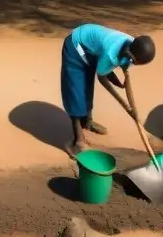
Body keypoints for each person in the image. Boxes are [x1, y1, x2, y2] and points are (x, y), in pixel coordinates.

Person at [61, 23, 156, 154]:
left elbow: (123, 72)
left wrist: (132, 107)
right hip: (76, 46)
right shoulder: (111, 53)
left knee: (88, 84)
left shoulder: (132, 46)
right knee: (76, 91)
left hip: (92, 49)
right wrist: (124, 104)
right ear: (135, 59)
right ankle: (79, 142)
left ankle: (87, 122)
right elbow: (102, 77)